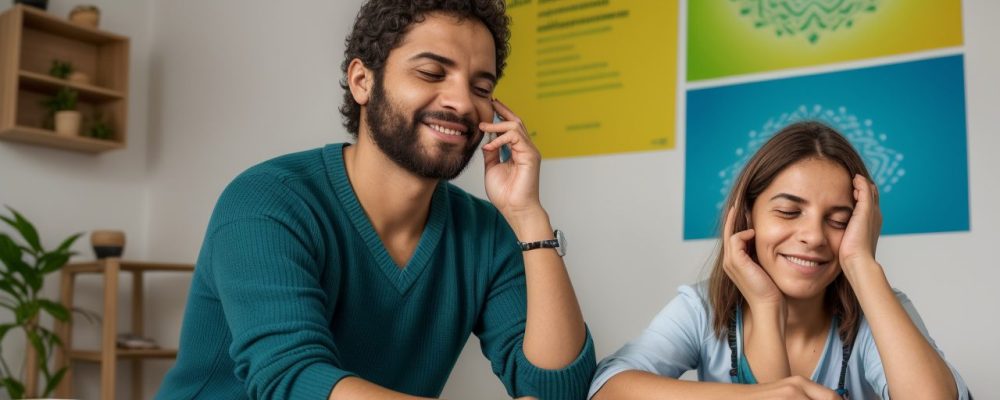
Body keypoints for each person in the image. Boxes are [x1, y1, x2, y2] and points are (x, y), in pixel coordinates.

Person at [156, 1, 595, 399]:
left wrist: (528, 216)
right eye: (431, 73)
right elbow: (292, 379)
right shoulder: (268, 200)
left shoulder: (485, 232)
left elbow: (561, 391)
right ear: (362, 81)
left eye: (481, 87)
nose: (462, 102)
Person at [588, 121, 970, 399]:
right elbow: (608, 389)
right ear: (747, 215)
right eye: (789, 212)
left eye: (838, 221)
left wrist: (861, 264)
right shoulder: (701, 309)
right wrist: (766, 308)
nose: (814, 236)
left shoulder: (880, 309)